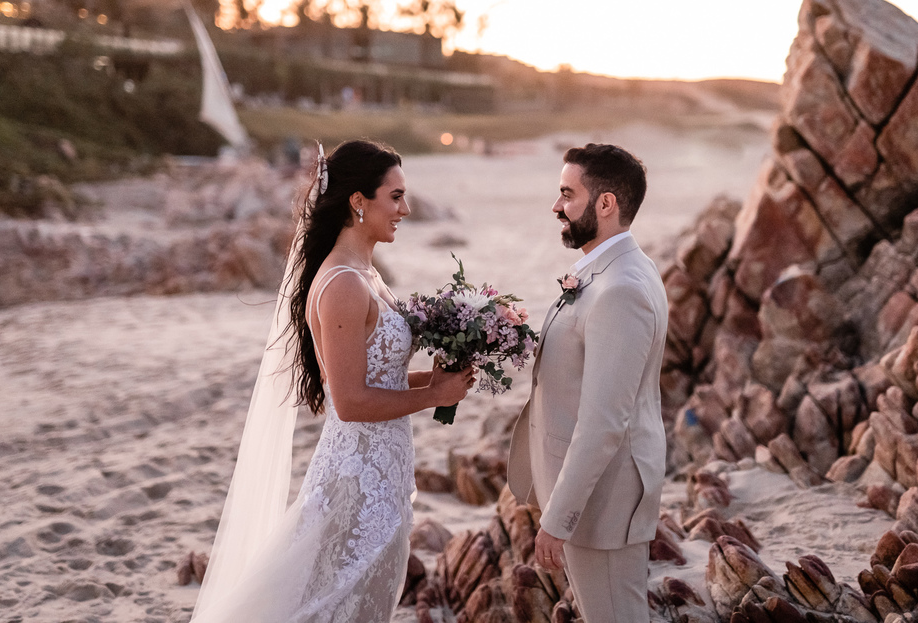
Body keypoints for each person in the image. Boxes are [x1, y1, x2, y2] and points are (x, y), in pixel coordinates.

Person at [191, 139, 475, 623]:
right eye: (396, 197)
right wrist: (433, 395)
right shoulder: (343, 283)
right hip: (355, 479)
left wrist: (437, 378)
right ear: (358, 201)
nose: (405, 210)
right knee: (334, 605)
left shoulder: (367, 274)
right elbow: (350, 401)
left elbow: (376, 374)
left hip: (383, 471)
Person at [507, 143, 668, 623]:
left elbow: (603, 423)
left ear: (606, 204)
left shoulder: (620, 290)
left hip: (604, 503)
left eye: (567, 194)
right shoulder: (616, 270)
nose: (556, 206)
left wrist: (559, 520)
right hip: (596, 494)